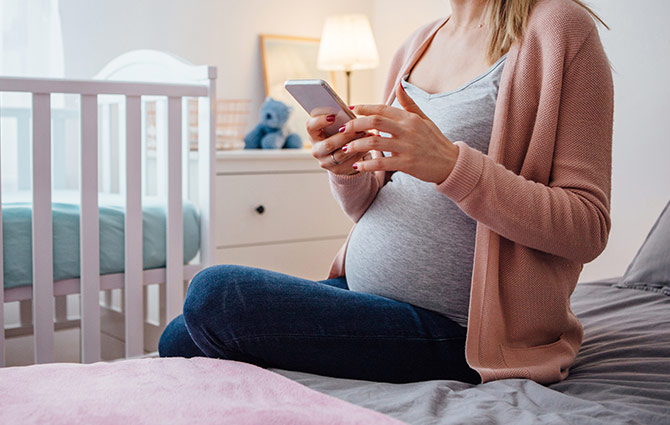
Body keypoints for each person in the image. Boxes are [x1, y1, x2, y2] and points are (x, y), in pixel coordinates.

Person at [159, 0, 613, 385]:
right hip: (366, 293)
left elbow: (587, 225)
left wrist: (452, 166)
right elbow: (370, 203)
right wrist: (346, 169)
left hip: (462, 331)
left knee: (215, 294)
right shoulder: (418, 44)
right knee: (178, 337)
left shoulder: (559, 29)